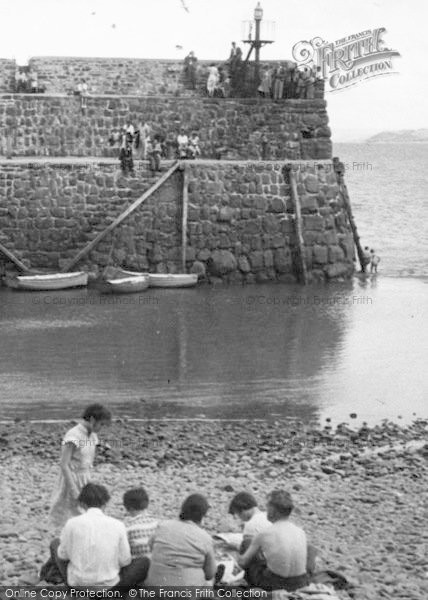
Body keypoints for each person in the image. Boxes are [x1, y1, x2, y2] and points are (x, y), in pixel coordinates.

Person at [50, 483, 149, 588]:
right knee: (144, 562)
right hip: (110, 587)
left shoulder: (71, 523)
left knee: (55, 543)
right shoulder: (118, 525)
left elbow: (62, 556)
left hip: (77, 585)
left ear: (82, 504)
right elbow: (125, 561)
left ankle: (53, 578)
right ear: (105, 504)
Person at [49, 404, 112, 529]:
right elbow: (64, 464)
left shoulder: (92, 435)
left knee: (87, 511)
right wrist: (73, 488)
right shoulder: (73, 436)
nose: (102, 428)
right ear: (92, 420)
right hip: (72, 477)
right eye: (101, 424)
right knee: (69, 513)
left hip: (85, 477)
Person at [237, 490, 309, 591]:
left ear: (272, 510)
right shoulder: (300, 532)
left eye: (267, 507)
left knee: (247, 543)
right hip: (300, 583)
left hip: (274, 584)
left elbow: (243, 562)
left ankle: (249, 588)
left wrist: (235, 555)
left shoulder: (264, 534)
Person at [145, 493, 216, 586]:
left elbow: (151, 547)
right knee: (210, 582)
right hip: (186, 593)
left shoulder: (163, 526)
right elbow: (209, 574)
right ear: (203, 516)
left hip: (154, 588)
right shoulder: (205, 537)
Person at [123, 487, 159, 560]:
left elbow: (123, 556)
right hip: (157, 567)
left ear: (127, 507)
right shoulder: (160, 524)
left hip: (138, 568)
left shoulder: (127, 528)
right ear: (147, 503)